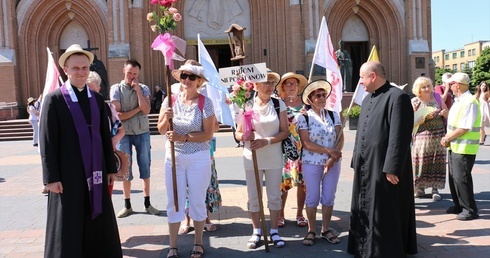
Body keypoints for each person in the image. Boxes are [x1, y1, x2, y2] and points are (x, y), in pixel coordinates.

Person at [39, 43, 122, 257]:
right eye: (76, 68)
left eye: (85, 68)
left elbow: (105, 136)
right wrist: (51, 178)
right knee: (69, 222)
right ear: (65, 70)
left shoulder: (95, 99)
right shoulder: (54, 99)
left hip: (96, 171)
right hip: (67, 175)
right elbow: (48, 140)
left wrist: (111, 168)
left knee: (97, 220)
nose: (81, 72)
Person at [347, 61, 417, 257]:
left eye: (362, 77)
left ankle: (382, 249)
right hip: (365, 163)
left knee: (383, 208)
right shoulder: (368, 98)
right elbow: (362, 131)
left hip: (383, 165)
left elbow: (399, 135)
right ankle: (362, 245)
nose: (359, 81)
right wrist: (356, 159)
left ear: (373, 76)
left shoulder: (398, 97)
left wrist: (393, 167)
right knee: (363, 204)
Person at [157, 60, 216, 258]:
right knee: (174, 200)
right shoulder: (170, 100)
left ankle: (198, 243)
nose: (187, 80)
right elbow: (161, 129)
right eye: (184, 76)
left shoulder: (204, 102)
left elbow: (208, 133)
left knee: (197, 201)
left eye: (192, 77)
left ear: (199, 80)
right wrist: (167, 116)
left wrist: (184, 137)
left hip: (198, 157)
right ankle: (173, 245)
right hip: (174, 158)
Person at [234, 70, 289, 249]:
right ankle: (256, 230)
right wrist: (244, 137)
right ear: (255, 85)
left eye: (272, 83)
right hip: (252, 156)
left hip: (273, 155)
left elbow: (284, 131)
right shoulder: (246, 104)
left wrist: (266, 141)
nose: (269, 86)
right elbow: (238, 132)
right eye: (265, 82)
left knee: (274, 195)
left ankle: (274, 230)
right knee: (254, 196)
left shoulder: (278, 104)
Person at [297, 80, 344, 246]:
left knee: (329, 196)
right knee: (312, 197)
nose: (322, 97)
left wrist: (333, 158)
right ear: (310, 99)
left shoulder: (333, 115)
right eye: (318, 95)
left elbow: (340, 137)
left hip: (333, 163)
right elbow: (307, 143)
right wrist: (329, 151)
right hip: (312, 162)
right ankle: (311, 230)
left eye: (324, 94)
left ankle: (325, 229)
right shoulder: (303, 117)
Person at [110, 59, 159, 217]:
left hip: (142, 132)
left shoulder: (143, 88)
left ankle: (147, 203)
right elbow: (119, 115)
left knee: (145, 166)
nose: (132, 76)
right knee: (125, 169)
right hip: (124, 134)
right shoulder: (116, 89)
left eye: (135, 74)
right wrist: (138, 107)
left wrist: (138, 91)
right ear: (124, 70)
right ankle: (127, 204)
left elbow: (146, 111)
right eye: (130, 73)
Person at [441, 72, 481, 221]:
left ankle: (469, 210)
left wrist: (446, 138)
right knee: (454, 178)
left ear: (457, 84)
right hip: (455, 146)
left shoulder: (469, 102)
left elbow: (464, 127)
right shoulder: (459, 101)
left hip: (464, 148)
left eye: (451, 84)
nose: (449, 87)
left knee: (462, 178)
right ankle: (458, 205)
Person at [275, 72, 308, 228]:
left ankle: (300, 214)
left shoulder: (306, 104)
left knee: (303, 183)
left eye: (294, 83)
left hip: (303, 149)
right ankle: (280, 215)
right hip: (284, 149)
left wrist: (308, 115)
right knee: (283, 183)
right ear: (283, 87)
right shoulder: (278, 104)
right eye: (288, 83)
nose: (291, 86)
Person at [88, 71, 125, 195]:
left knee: (104, 197)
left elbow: (121, 130)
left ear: (99, 88)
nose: (89, 93)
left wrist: (113, 140)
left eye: (92, 89)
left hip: (105, 159)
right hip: (85, 160)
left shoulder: (108, 108)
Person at [411, 77, 448, 201]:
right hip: (422, 136)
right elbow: (411, 121)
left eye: (428, 86)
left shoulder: (437, 97)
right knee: (420, 162)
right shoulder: (415, 101)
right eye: (423, 87)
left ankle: (435, 189)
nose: (427, 89)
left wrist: (444, 113)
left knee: (436, 162)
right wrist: (425, 117)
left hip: (438, 135)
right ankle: (419, 188)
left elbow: (448, 113)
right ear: (418, 89)